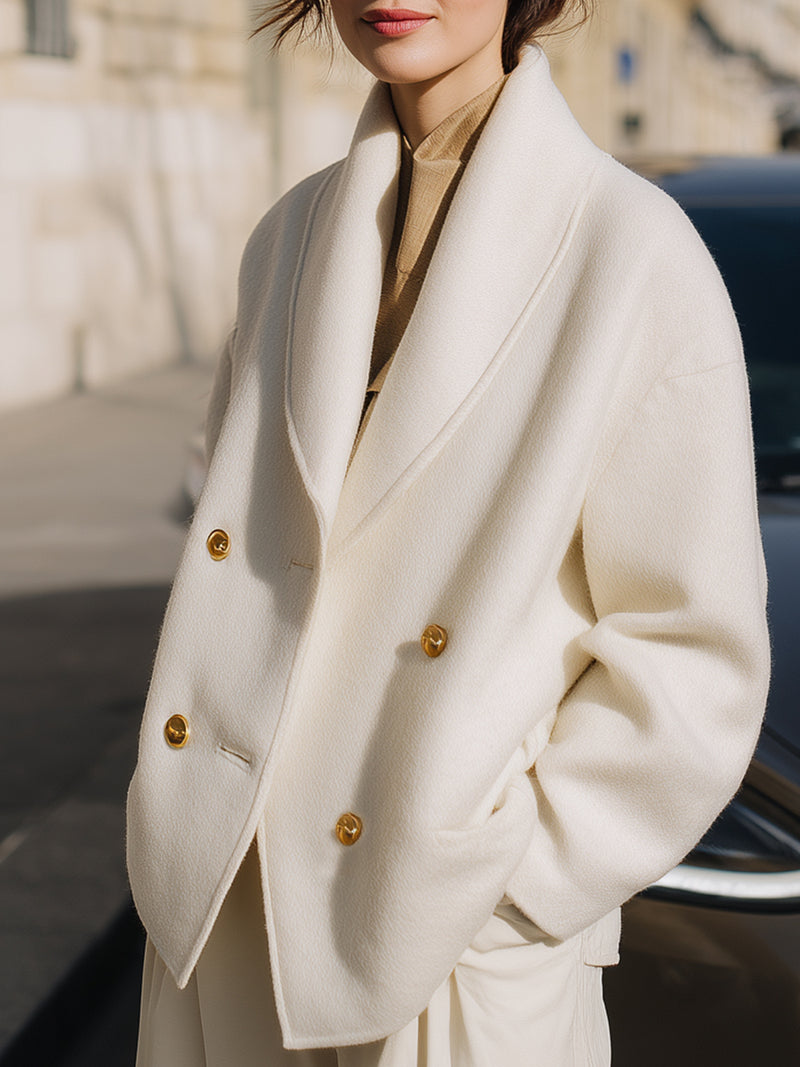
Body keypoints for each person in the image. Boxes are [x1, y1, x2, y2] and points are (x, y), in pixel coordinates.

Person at [127, 1, 771, 1064]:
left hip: (438, 950)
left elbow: (689, 650)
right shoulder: (286, 237)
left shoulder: (629, 251)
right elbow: (249, 552)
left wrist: (504, 887)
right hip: (224, 918)